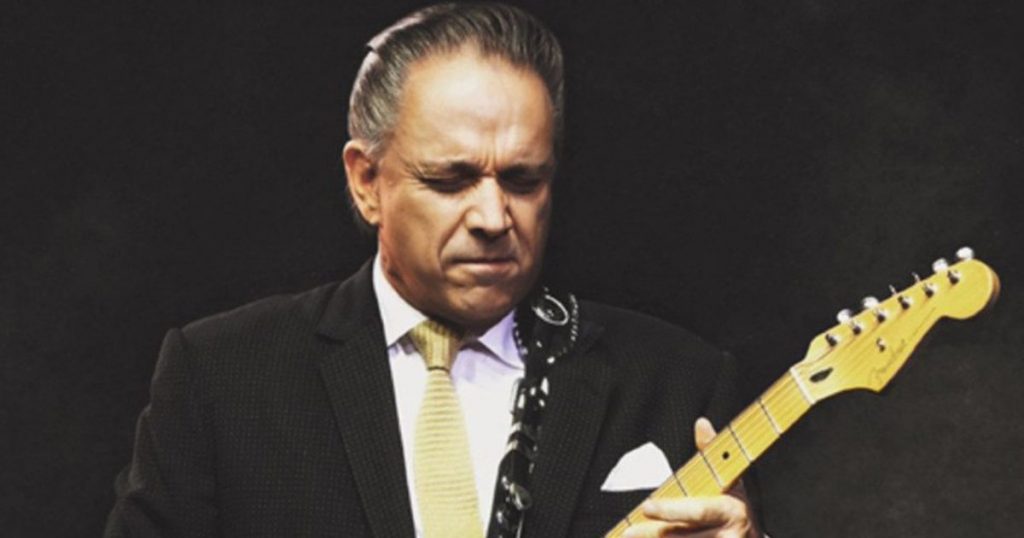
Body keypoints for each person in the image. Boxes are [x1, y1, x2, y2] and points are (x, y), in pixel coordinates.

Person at [106, 3, 761, 537]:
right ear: (367, 182)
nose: (494, 216)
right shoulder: (222, 378)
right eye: (451, 180)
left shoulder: (677, 381)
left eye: (523, 180)